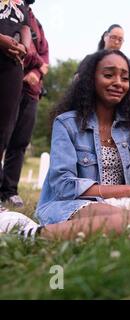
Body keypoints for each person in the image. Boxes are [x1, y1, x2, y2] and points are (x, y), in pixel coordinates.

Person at [0, 50, 130, 239]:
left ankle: (122, 219)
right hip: (71, 203)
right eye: (108, 75)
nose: (118, 82)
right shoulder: (66, 123)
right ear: (91, 80)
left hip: (122, 202)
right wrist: (129, 191)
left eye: (125, 78)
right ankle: (28, 234)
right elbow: (64, 185)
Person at [1, 0, 49, 208]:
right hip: (9, 77)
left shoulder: (35, 24)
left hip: (29, 91)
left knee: (19, 142)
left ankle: (10, 190)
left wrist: (36, 72)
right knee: (3, 135)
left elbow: (45, 60)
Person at [0, 0, 31, 212]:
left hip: (11, 65)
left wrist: (24, 47)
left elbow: (25, 25)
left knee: (3, 130)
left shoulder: (24, 3)